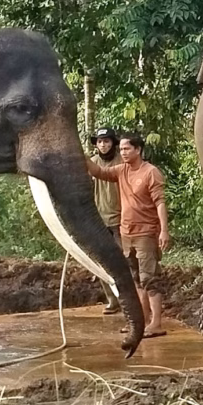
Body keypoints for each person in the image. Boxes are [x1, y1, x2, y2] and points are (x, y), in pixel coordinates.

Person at [85, 133, 171, 337]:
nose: (122, 152)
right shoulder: (121, 170)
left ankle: (156, 323)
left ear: (138, 150)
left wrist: (164, 231)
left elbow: (160, 203)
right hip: (126, 234)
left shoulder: (151, 172)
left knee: (149, 279)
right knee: (136, 280)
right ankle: (141, 322)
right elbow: (98, 172)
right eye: (121, 149)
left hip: (146, 233)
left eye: (126, 149)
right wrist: (80, 154)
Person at [89, 128, 123, 315]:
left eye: (107, 141)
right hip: (99, 219)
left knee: (126, 261)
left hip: (120, 218)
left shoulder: (122, 162)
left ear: (113, 143)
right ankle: (112, 300)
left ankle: (130, 301)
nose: (103, 145)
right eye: (100, 142)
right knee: (102, 263)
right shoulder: (92, 163)